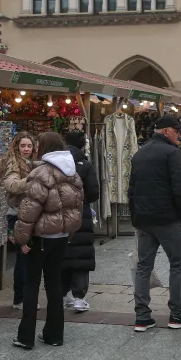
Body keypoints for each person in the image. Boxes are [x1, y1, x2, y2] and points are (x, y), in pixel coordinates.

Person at [12, 132, 83, 350]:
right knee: (54, 284)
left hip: (41, 237)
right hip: (60, 237)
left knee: (32, 284)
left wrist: (22, 238)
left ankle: (26, 336)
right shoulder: (72, 172)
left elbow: (30, 209)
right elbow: (77, 205)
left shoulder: (40, 172)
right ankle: (54, 334)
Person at [128, 114, 181, 332]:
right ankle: (177, 314)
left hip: (144, 220)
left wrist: (136, 216)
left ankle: (142, 316)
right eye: (178, 131)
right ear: (166, 131)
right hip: (168, 219)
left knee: (143, 266)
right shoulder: (172, 153)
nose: (180, 135)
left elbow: (131, 189)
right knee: (178, 263)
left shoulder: (139, 154)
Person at [61, 130, 100, 312]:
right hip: (80, 215)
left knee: (62, 254)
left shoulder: (55, 163)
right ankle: (79, 298)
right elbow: (93, 192)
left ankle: (61, 294)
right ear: (82, 144)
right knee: (81, 256)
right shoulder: (85, 164)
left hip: (58, 214)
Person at [0, 131, 35, 311]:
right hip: (17, 215)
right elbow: (12, 186)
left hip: (29, 215)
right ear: (16, 146)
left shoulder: (31, 162)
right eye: (23, 145)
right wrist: (32, 179)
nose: (26, 149)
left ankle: (24, 297)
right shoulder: (12, 163)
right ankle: (19, 298)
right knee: (23, 257)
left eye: (29, 146)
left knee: (28, 257)